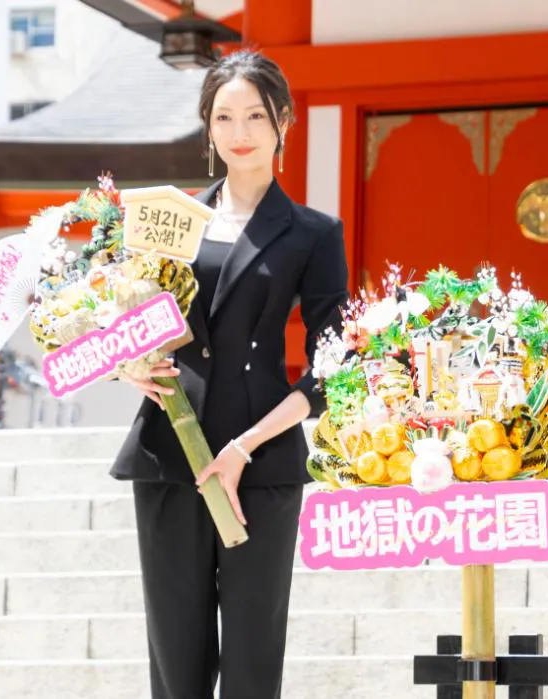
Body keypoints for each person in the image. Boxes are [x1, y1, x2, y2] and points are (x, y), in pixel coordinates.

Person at [110, 50, 349, 699]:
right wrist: (127, 363)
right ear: (207, 129)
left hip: (260, 465)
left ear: (284, 122)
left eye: (254, 115)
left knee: (251, 662)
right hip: (170, 454)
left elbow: (334, 365)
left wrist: (245, 447)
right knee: (175, 664)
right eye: (223, 116)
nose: (239, 131)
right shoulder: (169, 220)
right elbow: (125, 315)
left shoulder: (313, 232)